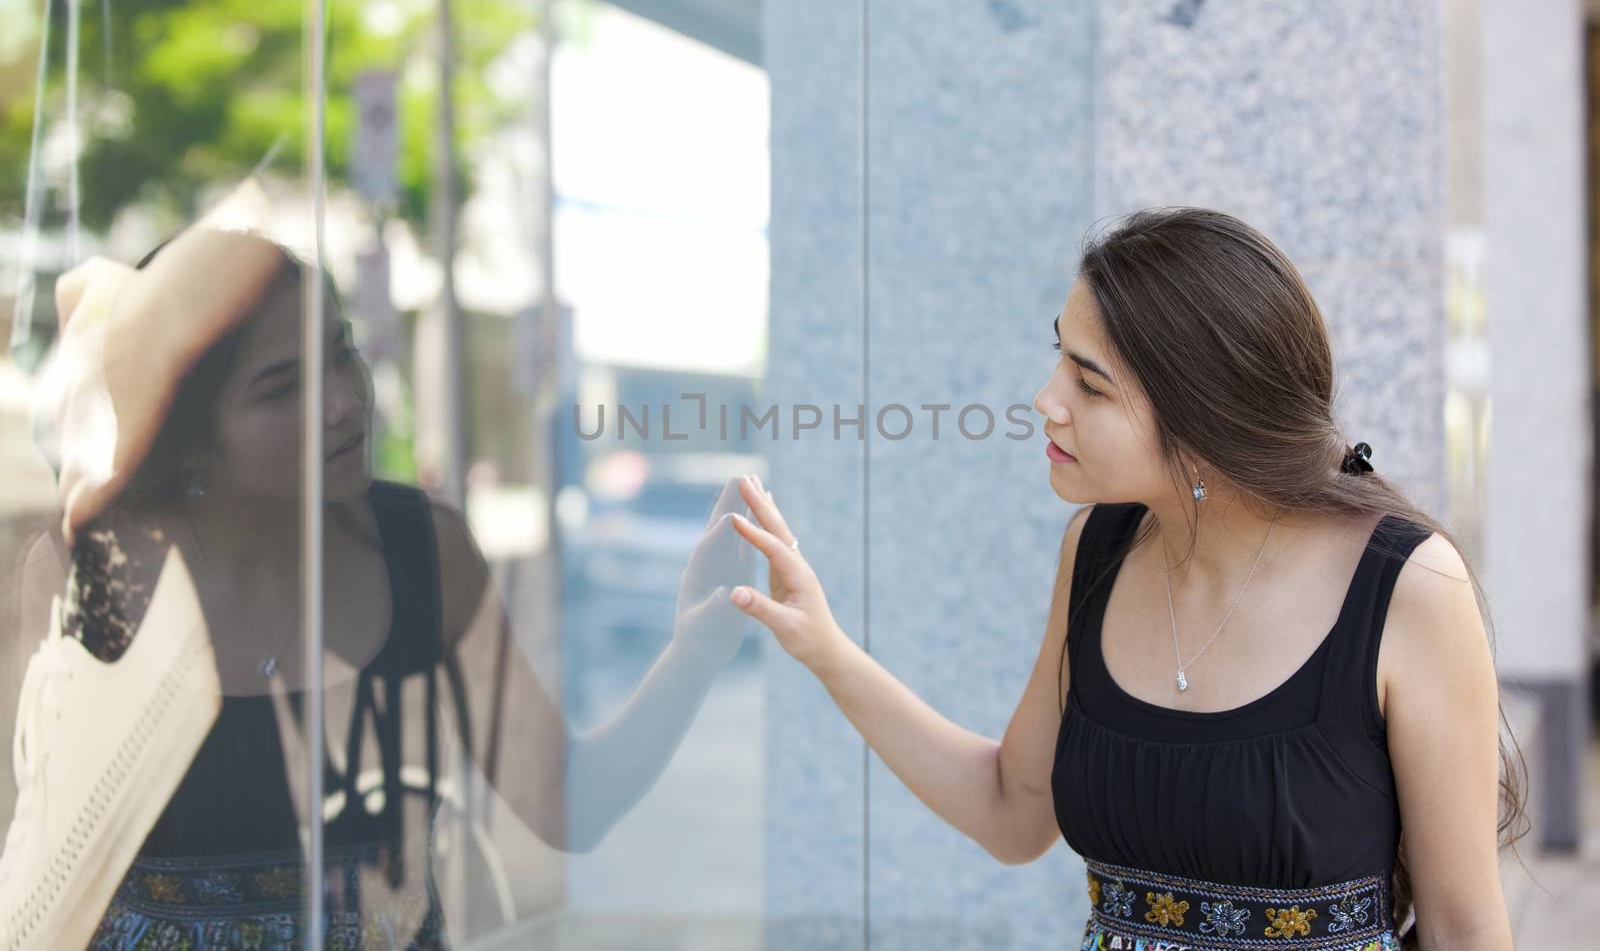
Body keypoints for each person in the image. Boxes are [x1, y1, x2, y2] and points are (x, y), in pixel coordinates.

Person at [723, 206, 1527, 951]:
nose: (1046, 401)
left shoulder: (1410, 589)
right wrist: (827, 647)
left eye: (1089, 382)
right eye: (1058, 360)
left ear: (1204, 414)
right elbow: (1012, 808)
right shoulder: (1097, 550)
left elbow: (1464, 927)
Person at [1, 214, 754, 949]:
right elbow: (29, 844)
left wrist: (695, 649)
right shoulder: (88, 571)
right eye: (280, 388)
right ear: (186, 432)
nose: (344, 401)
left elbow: (569, 806)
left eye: (341, 351)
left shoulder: (423, 549)